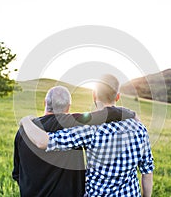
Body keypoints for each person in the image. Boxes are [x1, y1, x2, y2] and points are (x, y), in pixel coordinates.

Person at [21, 74, 154, 197]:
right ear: (117, 96)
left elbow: (43, 142)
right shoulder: (140, 129)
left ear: (94, 95)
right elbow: (147, 172)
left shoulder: (90, 130)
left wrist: (25, 121)